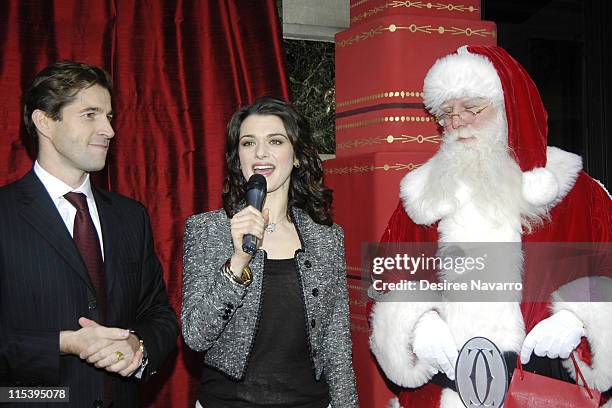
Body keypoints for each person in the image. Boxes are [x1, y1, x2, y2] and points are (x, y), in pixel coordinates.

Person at [369, 46, 611, 407]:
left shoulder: (579, 196)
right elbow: (391, 278)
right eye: (448, 113)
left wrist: (582, 319)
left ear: (510, 110)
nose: (458, 123)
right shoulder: (422, 201)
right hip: (449, 391)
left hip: (549, 392)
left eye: (473, 109)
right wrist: (417, 323)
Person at [0, 61, 179, 407]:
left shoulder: (131, 217)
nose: (109, 130)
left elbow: (159, 313)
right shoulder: (5, 214)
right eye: (90, 115)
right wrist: (63, 343)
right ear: (44, 122)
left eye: (109, 116)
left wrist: (137, 346)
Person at [181, 96, 358, 408]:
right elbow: (196, 336)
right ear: (238, 158)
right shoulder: (207, 229)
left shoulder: (327, 238)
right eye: (248, 143)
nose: (260, 153)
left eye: (275, 141)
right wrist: (238, 261)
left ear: (298, 155)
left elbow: (337, 343)